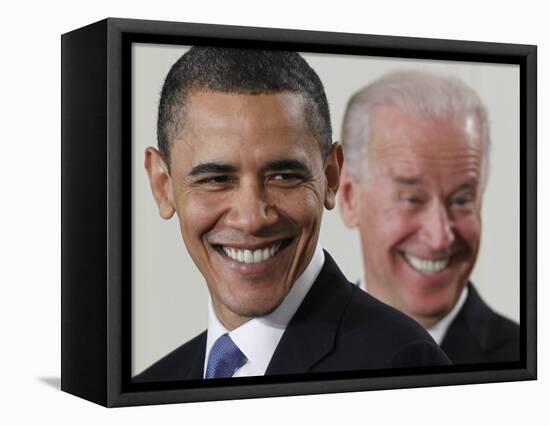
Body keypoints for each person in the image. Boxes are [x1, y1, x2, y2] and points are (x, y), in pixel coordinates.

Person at [135, 48, 449, 382]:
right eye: (216, 180)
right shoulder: (151, 386)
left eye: (283, 176)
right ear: (162, 184)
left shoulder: (402, 365)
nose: (252, 218)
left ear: (330, 177)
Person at [338, 70, 519, 364]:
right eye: (411, 199)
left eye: (461, 200)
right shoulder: (286, 353)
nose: (439, 237)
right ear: (348, 198)